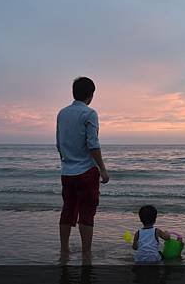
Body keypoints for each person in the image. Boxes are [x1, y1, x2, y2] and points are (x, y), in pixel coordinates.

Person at [56, 77, 110, 263]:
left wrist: (66, 162)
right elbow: (93, 144)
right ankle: (86, 253)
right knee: (87, 212)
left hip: (67, 171)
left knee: (67, 210)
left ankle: (64, 251)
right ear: (91, 95)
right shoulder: (90, 113)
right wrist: (103, 169)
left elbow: (59, 143)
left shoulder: (62, 113)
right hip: (86, 171)